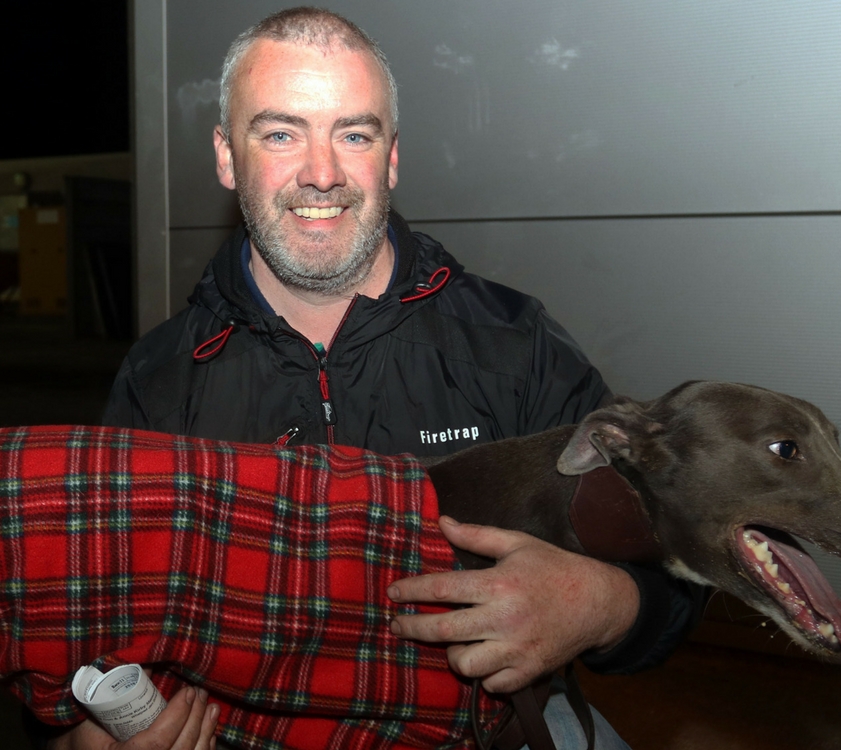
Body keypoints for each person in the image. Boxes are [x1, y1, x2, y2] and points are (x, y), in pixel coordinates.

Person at [47, 8, 702, 749]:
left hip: (494, 730)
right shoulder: (161, 379)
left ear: (390, 158)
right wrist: (84, 737)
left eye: (353, 135)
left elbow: (672, 564)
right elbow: (83, 626)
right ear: (227, 157)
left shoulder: (513, 346)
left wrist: (602, 603)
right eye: (281, 134)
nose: (322, 173)